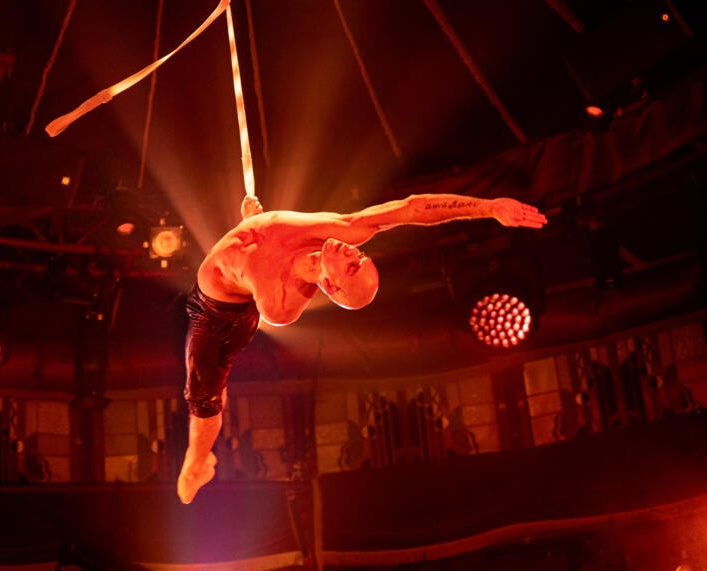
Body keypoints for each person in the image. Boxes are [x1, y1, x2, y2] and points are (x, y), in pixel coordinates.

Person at [177, 193, 547, 503]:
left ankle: (196, 463)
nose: (354, 253)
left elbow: (251, 265)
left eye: (352, 265)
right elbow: (413, 208)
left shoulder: (278, 302)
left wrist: (252, 234)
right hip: (240, 265)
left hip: (217, 312)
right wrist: (489, 208)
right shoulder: (345, 230)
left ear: (331, 287)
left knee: (204, 392)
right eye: (362, 258)